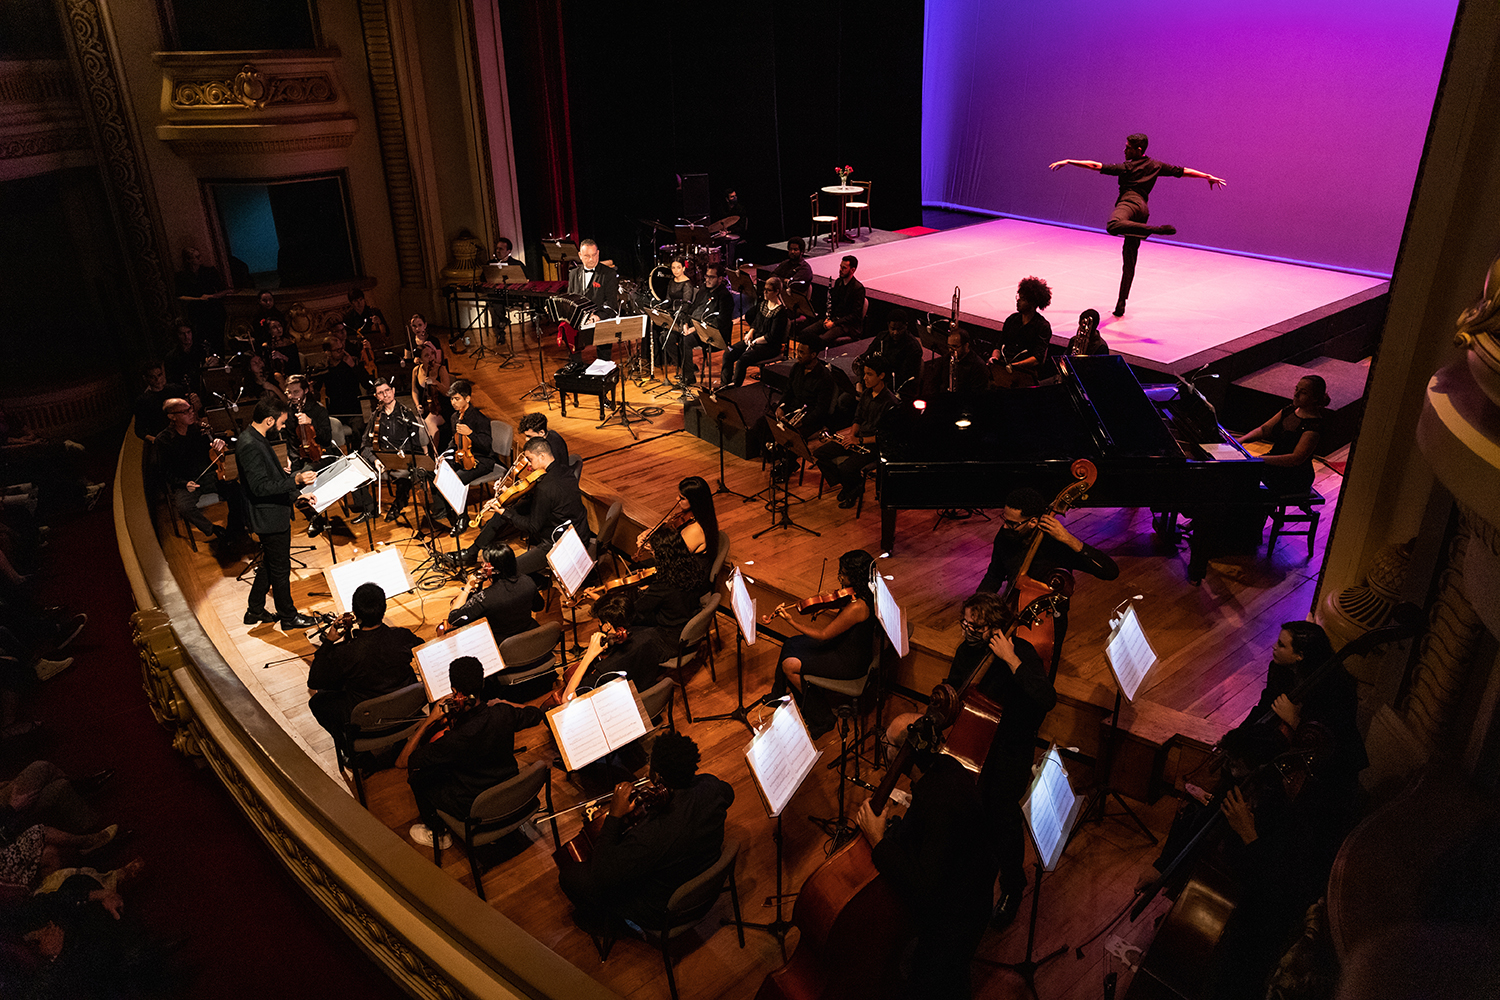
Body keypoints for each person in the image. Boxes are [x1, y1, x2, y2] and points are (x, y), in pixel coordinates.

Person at [854, 733, 999, 1000]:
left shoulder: (937, 803)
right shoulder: (948, 769)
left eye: (887, 743)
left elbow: (922, 888)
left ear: (904, 754)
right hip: (974, 892)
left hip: (955, 922)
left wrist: (877, 840)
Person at [556, 731, 733, 937]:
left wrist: (614, 817)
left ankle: (614, 925)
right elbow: (728, 794)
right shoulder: (711, 787)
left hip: (660, 910)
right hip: (700, 880)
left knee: (570, 877)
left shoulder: (651, 835)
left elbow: (602, 875)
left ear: (656, 775)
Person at [1050, 133, 1227, 317]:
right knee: (1130, 258)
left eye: (1128, 147)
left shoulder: (1127, 167)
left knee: (1113, 225)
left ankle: (1154, 230)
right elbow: (1182, 171)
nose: (1124, 150)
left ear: (1138, 150)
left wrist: (1069, 161)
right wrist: (1207, 176)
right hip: (1143, 211)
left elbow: (1096, 165)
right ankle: (1121, 301)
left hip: (1129, 204)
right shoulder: (1156, 165)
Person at [397, 655, 545, 850]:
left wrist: (429, 721)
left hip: (474, 805)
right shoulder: (503, 713)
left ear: (456, 692)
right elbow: (536, 715)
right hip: (508, 790)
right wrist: (504, 704)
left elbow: (403, 761)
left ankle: (438, 833)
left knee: (417, 776)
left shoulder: (454, 740)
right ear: (482, 683)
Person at [762, 549, 877, 737]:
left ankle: (823, 718)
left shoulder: (858, 607)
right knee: (790, 643)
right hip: (844, 645)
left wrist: (791, 621)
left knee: (789, 665)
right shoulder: (865, 592)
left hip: (848, 661)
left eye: (843, 573)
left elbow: (823, 635)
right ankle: (777, 694)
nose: (840, 577)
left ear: (855, 576)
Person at [236, 395, 318, 629]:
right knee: (280, 570)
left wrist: (297, 495)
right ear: (269, 420)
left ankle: (254, 610)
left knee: (271, 564)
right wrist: (297, 480)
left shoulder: (254, 437)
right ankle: (289, 617)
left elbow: (271, 477)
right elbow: (260, 488)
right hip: (269, 517)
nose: (283, 427)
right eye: (281, 422)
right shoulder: (250, 444)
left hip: (272, 513)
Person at [306, 582, 421, 742]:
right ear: (384, 608)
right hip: (407, 712)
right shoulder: (402, 636)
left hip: (369, 724)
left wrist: (328, 642)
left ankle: (349, 748)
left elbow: (315, 681)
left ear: (355, 614)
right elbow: (421, 647)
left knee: (318, 701)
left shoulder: (344, 653)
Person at [449, 436, 591, 565]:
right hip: (579, 528)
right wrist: (510, 494)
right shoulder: (564, 471)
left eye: (530, 459)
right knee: (512, 511)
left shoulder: (546, 488)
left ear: (542, 456)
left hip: (559, 540)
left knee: (511, 570)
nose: (528, 465)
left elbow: (533, 527)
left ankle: (537, 579)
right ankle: (474, 551)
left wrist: (505, 512)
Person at [153, 396, 244, 548]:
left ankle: (235, 528)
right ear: (172, 416)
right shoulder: (163, 440)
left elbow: (217, 449)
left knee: (237, 489)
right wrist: (183, 483)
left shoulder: (200, 429)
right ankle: (213, 530)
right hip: (187, 483)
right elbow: (164, 471)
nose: (191, 413)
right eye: (185, 411)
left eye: (191, 409)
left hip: (210, 476)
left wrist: (220, 444)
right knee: (184, 507)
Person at [556, 589, 673, 703]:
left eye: (601, 623)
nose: (599, 625)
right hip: (650, 691)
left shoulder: (607, 668)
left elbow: (567, 699)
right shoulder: (650, 633)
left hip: (626, 705)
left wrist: (589, 655)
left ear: (609, 627)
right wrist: (601, 601)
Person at [815, 357, 897, 509]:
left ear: (881, 376)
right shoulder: (866, 394)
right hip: (858, 439)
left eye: (869, 374)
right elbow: (857, 418)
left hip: (873, 446)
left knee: (846, 468)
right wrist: (852, 435)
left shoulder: (891, 403)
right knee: (821, 454)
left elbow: (885, 437)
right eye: (864, 374)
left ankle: (852, 490)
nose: (864, 378)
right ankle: (851, 486)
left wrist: (859, 441)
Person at [1237, 375, 1329, 496]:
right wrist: (1241, 440)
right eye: (1296, 389)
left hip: (1293, 476)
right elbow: (1264, 430)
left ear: (1315, 398)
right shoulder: (1289, 410)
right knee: (1238, 474)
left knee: (1244, 482)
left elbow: (1295, 459)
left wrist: (1259, 459)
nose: (1296, 394)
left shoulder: (1314, 426)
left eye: (1303, 392)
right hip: (1272, 464)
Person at [444, 546, 542, 644]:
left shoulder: (485, 598)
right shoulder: (528, 581)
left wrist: (467, 587)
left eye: (483, 564)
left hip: (504, 643)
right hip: (530, 636)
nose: (482, 566)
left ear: (490, 568)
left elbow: (454, 618)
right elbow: (538, 607)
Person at [434, 379, 495, 532]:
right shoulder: (455, 417)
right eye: (451, 399)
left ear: (467, 399)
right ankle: (447, 509)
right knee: (441, 472)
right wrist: (445, 454)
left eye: (457, 398)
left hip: (482, 460)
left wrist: (471, 434)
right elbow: (454, 442)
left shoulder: (480, 419)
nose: (453, 402)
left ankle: (462, 517)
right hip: (463, 456)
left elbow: (486, 445)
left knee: (456, 480)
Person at [362, 377, 424, 522]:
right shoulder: (376, 416)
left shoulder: (406, 414)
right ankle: (370, 508)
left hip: (402, 459)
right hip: (382, 460)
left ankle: (398, 504)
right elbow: (365, 444)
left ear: (393, 391)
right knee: (359, 473)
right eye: (380, 393)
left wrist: (403, 455)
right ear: (376, 396)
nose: (385, 395)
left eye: (387, 391)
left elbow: (415, 444)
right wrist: (375, 460)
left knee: (404, 474)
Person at [720, 276, 790, 388]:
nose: (765, 292)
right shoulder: (763, 304)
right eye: (764, 289)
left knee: (742, 361)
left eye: (768, 290)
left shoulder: (780, 313)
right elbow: (756, 323)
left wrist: (755, 342)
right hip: (755, 340)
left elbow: (771, 337)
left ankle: (735, 388)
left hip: (769, 346)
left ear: (777, 291)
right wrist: (750, 332)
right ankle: (725, 385)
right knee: (728, 354)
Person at [677, 263, 734, 386]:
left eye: (711, 277)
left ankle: (688, 377)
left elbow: (719, 322)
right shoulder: (703, 289)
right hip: (694, 328)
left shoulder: (725, 297)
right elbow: (693, 308)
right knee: (667, 337)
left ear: (720, 279)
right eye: (706, 276)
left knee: (686, 340)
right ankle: (688, 369)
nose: (707, 280)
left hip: (713, 334)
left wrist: (694, 329)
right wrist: (686, 323)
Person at [989, 276, 1054, 385]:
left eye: (1023, 299)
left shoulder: (1042, 326)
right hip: (1003, 368)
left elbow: (1037, 358)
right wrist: (994, 358)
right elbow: (999, 346)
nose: (1018, 301)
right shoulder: (1012, 319)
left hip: (1024, 372)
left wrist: (1015, 366)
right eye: (1018, 297)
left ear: (1032, 303)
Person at [568, 238, 620, 362]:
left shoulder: (609, 274)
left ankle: (604, 371)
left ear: (598, 253)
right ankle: (576, 368)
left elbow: (611, 302)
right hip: (580, 319)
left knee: (604, 356)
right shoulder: (573, 274)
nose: (591, 259)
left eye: (594, 255)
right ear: (580, 255)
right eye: (587, 256)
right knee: (569, 335)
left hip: (601, 318)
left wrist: (597, 317)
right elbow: (571, 298)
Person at [774, 334, 838, 436]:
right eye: (798, 351)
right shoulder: (797, 367)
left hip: (809, 420)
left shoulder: (824, 377)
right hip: (791, 411)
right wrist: (781, 406)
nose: (798, 355)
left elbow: (821, 409)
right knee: (761, 426)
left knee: (785, 438)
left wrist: (802, 422)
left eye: (802, 352)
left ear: (813, 355)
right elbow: (788, 391)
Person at [798, 255, 866, 346]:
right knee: (805, 333)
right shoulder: (838, 282)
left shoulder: (858, 289)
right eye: (840, 266)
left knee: (821, 340)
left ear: (852, 270)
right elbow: (833, 304)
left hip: (846, 325)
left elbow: (855, 315)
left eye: (844, 268)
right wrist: (827, 318)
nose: (840, 269)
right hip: (833, 320)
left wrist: (834, 323)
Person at [854, 308, 923, 395]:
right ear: (888, 325)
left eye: (899, 329)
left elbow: (903, 377)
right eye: (892, 328)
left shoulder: (913, 348)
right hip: (875, 383)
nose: (895, 332)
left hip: (894, 391)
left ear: (906, 326)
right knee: (844, 400)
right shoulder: (882, 337)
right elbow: (866, 356)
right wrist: (860, 381)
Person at [174, 246, 228, 353]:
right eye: (197, 257)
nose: (200, 259)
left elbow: (224, 290)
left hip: (214, 309)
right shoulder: (182, 276)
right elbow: (180, 296)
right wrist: (199, 299)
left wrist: (211, 296)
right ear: (189, 260)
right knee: (201, 339)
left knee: (218, 338)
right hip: (197, 312)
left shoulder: (209, 271)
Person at [921, 323, 989, 396]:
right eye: (949, 346)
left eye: (955, 346)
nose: (951, 350)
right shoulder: (945, 359)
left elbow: (976, 395)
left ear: (966, 345)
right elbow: (933, 383)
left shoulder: (978, 366)